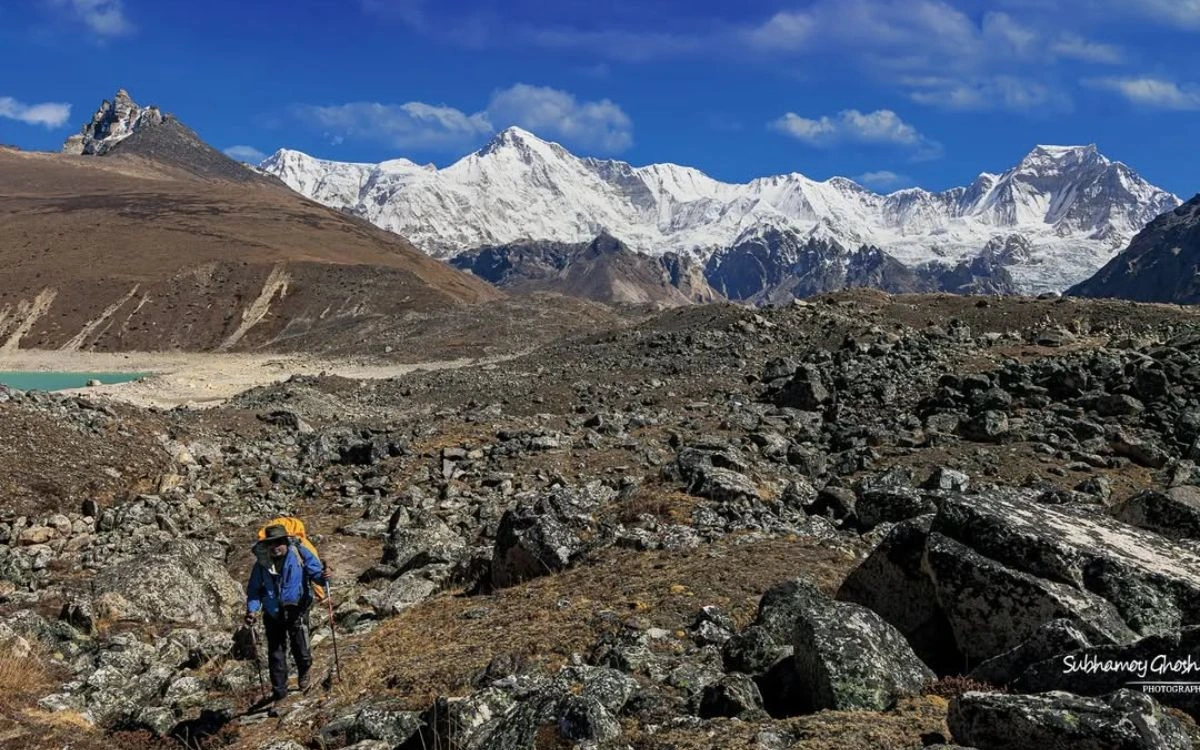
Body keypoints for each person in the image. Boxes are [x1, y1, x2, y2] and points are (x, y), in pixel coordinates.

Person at [244, 523, 331, 702]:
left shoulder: (300, 553)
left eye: (278, 543)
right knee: (276, 652)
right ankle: (279, 691)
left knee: (300, 645)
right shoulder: (261, 564)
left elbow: (317, 576)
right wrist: (252, 610)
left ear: (285, 541)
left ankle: (304, 673)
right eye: (271, 544)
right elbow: (254, 590)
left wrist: (325, 577)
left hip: (296, 608)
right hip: (272, 612)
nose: (275, 548)